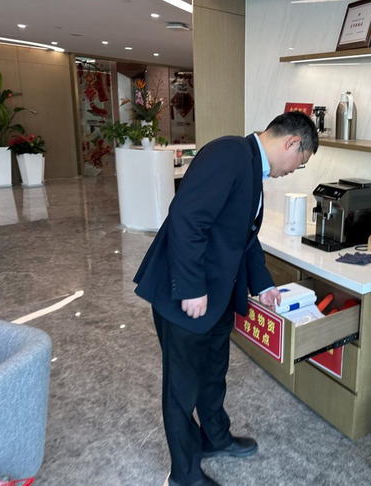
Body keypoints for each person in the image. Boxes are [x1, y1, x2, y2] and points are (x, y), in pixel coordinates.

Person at [133, 111, 318, 486]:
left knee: (213, 374)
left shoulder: (251, 167)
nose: (293, 171)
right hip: (184, 295)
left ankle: (215, 437)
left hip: (217, 296)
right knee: (182, 389)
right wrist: (191, 287)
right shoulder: (229, 154)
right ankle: (184, 475)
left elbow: (242, 237)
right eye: (300, 162)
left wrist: (262, 284)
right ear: (292, 143)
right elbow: (187, 218)